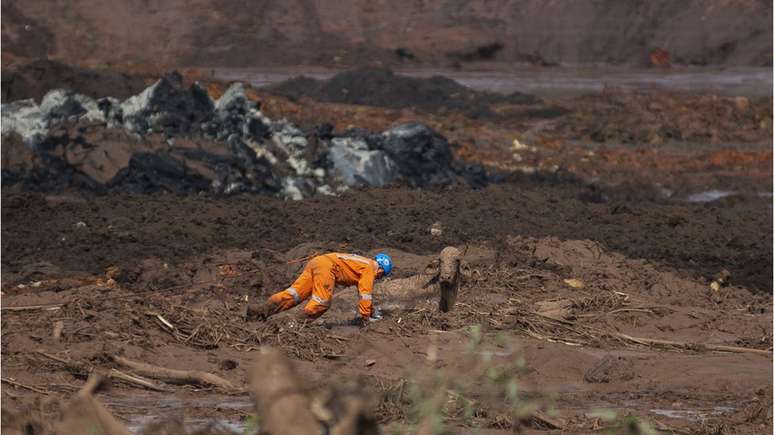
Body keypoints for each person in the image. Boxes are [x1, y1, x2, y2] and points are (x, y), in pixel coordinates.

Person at [247, 252, 393, 325]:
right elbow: (365, 294)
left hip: (318, 262)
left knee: (294, 295)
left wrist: (371, 310)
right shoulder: (370, 269)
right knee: (322, 302)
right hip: (326, 267)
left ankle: (258, 311)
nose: (379, 278)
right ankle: (292, 323)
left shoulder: (365, 263)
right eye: (381, 276)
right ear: (381, 270)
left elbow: (364, 294)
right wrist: (366, 318)